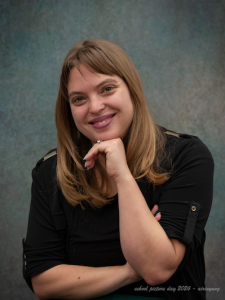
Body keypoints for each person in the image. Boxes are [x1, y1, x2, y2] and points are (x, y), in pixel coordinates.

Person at [22, 39, 214, 300]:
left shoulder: (185, 156)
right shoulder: (50, 171)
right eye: (79, 99)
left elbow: (156, 269)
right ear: (69, 109)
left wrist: (121, 175)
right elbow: (43, 283)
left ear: (131, 89)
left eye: (107, 89)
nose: (95, 107)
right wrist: (127, 272)